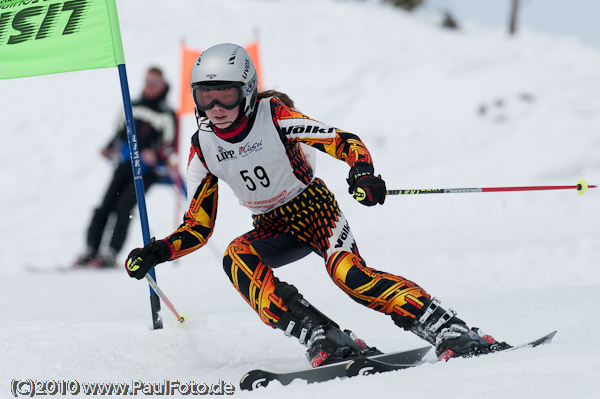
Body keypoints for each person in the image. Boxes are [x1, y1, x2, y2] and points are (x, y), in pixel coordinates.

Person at [125, 43, 510, 365]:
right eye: (204, 98)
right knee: (236, 257)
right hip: (272, 226)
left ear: (246, 90)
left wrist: (362, 173)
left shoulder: (273, 115)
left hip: (315, 211)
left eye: (224, 94)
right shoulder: (203, 147)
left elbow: (343, 140)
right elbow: (198, 225)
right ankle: (323, 336)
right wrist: (158, 251)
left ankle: (448, 328)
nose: (215, 108)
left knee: (350, 277)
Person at [76, 67, 177, 268]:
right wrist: (108, 147)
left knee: (124, 208)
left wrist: (155, 155)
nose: (149, 87)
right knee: (104, 206)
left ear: (163, 85)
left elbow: (170, 145)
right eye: (147, 82)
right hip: (124, 164)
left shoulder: (167, 113)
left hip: (146, 172)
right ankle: (90, 250)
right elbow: (119, 132)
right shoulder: (133, 105)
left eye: (154, 83)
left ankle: (111, 254)